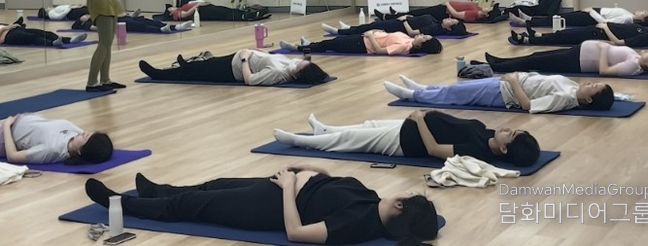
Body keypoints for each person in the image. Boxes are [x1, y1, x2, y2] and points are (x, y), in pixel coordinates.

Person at [84, 168, 439, 245]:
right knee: (213, 185)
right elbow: (332, 186)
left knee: (194, 206)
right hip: (281, 186)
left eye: (405, 199)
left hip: (270, 206)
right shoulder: (371, 199)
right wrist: (312, 172)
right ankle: (155, 190)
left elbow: (296, 232)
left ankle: (122, 204)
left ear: (400, 208)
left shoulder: (356, 223)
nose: (401, 195)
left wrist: (288, 187)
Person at [274, 110, 540, 166]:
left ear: (504, 150)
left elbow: (434, 149)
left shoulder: (477, 150)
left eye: (512, 135)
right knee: (367, 124)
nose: (509, 129)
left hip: (406, 142)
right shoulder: (489, 134)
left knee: (351, 139)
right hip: (411, 125)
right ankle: (324, 129)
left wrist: (421, 119)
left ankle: (299, 141)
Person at [383, 73, 615, 113]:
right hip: (507, 83)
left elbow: (529, 106)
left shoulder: (565, 99)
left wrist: (513, 81)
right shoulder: (573, 88)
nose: (591, 83)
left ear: (588, 99)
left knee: (456, 95)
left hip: (503, 93)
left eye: (594, 87)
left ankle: (412, 96)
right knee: (457, 88)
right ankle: (423, 88)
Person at [139, 48, 329, 86]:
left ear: (300, 72)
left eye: (304, 63)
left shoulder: (279, 73)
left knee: (193, 74)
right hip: (234, 60)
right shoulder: (291, 65)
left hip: (230, 70)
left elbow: (250, 80)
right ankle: (187, 65)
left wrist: (245, 59)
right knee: (203, 65)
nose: (301, 60)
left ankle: (158, 74)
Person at [483, 41, 648, 76]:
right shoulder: (635, 57)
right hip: (579, 52)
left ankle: (498, 67)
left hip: (577, 62)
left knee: (534, 62)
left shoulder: (632, 67)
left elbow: (604, 71)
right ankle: (500, 62)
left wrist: (603, 50)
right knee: (536, 56)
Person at [1, 114, 112, 165]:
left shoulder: (52, 149)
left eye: (86, 137)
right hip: (18, 120)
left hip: (5, 135)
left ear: (80, 151)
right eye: (90, 133)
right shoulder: (77, 134)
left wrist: (7, 125)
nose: (85, 133)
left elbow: (12, 156)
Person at [509, 23, 648, 48]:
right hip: (598, 29)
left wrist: (605, 28)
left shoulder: (643, 38)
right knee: (565, 34)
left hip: (598, 33)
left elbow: (619, 42)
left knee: (565, 37)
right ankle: (537, 35)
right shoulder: (645, 31)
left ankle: (528, 40)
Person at [279, 31, 443, 56]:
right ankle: (310, 44)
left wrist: (371, 36)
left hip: (363, 45)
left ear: (421, 45)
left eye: (424, 38)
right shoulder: (408, 39)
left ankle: (298, 48)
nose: (422, 35)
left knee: (331, 45)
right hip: (364, 38)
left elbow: (379, 50)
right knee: (332, 42)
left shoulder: (405, 47)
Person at [321, 14, 468, 38]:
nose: (449, 19)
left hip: (397, 27)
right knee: (370, 25)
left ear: (449, 28)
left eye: (452, 22)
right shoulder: (436, 21)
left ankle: (340, 31)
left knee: (370, 28)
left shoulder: (434, 28)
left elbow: (412, 33)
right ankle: (348, 28)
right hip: (399, 23)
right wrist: (409, 17)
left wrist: (404, 21)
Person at [509, 7, 648, 27]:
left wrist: (591, 12)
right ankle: (529, 19)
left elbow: (605, 22)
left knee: (558, 20)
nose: (642, 10)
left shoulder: (627, 19)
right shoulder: (629, 15)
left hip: (591, 16)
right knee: (559, 16)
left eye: (645, 13)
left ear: (643, 20)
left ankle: (526, 22)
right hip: (594, 12)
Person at [377, 1, 494, 23]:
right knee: (418, 12)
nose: (488, 6)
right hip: (442, 8)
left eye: (489, 8)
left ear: (486, 14)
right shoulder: (478, 9)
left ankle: (388, 17)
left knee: (418, 14)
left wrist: (447, 4)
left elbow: (456, 14)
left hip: (442, 12)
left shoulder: (474, 14)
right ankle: (396, 14)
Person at [0, 17, 86, 48]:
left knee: (43, 33)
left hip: (14, 30)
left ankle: (69, 40)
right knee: (32, 37)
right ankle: (52, 43)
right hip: (8, 37)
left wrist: (12, 25)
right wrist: (6, 28)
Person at [73, 13, 193, 34]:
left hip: (121, 18)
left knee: (146, 20)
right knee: (140, 26)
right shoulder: (88, 23)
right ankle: (160, 30)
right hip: (117, 24)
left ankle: (175, 27)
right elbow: (96, 28)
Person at [156, 1, 270, 22]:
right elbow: (186, 14)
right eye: (170, 8)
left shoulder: (180, 7)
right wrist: (198, 5)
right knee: (224, 14)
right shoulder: (176, 13)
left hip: (205, 8)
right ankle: (244, 16)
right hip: (203, 12)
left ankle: (245, 14)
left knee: (224, 10)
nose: (172, 7)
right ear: (170, 13)